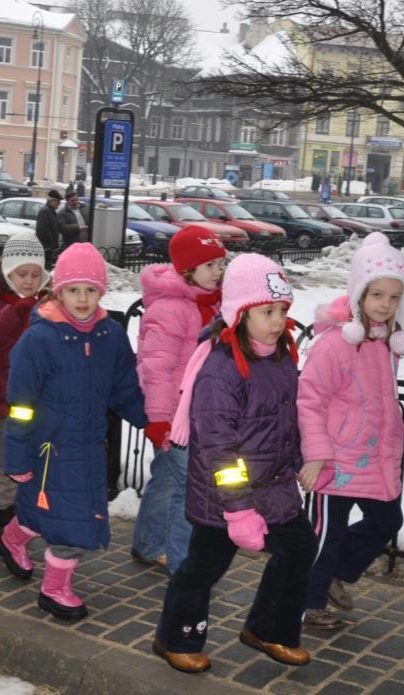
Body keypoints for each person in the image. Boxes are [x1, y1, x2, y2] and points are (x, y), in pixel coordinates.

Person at [153, 254, 315, 674]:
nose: (278, 320)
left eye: (282, 310)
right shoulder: (221, 370)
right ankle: (175, 637)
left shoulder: (280, 357)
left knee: (299, 550)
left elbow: (287, 420)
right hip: (225, 495)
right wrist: (238, 508)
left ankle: (270, 629)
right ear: (239, 313)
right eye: (267, 311)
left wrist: (305, 459)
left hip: (274, 486)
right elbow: (217, 449)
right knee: (204, 568)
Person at [0, 242, 146, 621]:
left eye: (91, 290)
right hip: (50, 449)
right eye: (73, 290)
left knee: (43, 511)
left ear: (102, 292)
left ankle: (12, 536)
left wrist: (152, 421)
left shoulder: (110, 335)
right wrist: (15, 456)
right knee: (73, 527)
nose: (82, 299)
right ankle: (54, 589)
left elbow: (124, 386)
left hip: (91, 446)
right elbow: (22, 405)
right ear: (57, 291)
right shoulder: (39, 340)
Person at [296, 233, 404, 630]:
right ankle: (306, 602)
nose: (386, 304)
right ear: (359, 293)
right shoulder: (334, 344)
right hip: (333, 460)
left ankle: (335, 574)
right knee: (323, 537)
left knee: (387, 521)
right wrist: (316, 455)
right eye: (377, 294)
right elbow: (309, 400)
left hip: (371, 458)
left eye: (394, 297)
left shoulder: (384, 342)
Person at [132, 225, 227, 574]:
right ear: (188, 270)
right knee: (193, 486)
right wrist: (159, 418)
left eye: (221, 263)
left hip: (197, 412)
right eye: (210, 265)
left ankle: (148, 544)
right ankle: (182, 562)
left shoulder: (209, 303)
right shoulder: (172, 308)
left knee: (169, 480)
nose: (218, 272)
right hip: (173, 415)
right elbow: (156, 367)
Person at [0, 232, 49, 542]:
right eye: (22, 274)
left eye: (35, 274)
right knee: (8, 464)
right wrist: (17, 309)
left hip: (32, 401)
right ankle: (1, 517)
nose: (29, 281)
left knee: (28, 462)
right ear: (7, 273)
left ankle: (20, 517)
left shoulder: (47, 304)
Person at [35, 190, 62, 266]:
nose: (59, 205)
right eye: (58, 202)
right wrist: (52, 242)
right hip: (46, 248)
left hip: (51, 247)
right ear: (52, 201)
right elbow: (42, 230)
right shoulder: (45, 211)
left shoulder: (52, 211)